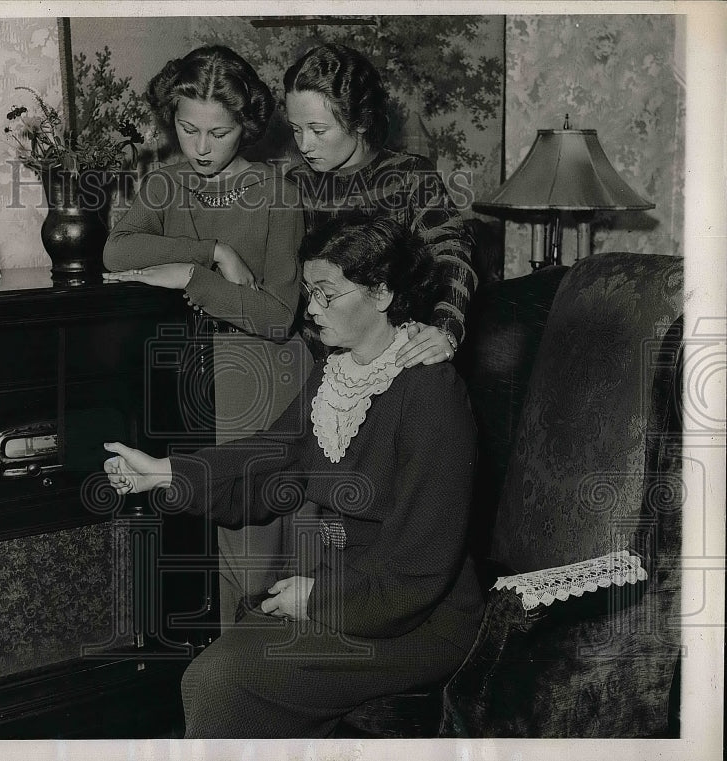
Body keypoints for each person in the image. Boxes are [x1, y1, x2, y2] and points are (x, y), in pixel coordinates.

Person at [103, 216, 484, 738]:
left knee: (221, 678)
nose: (311, 310)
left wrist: (316, 599)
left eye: (327, 294)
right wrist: (167, 473)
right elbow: (274, 457)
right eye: (309, 292)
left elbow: (420, 568)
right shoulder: (336, 371)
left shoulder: (431, 394)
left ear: (381, 293)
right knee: (216, 674)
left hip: (419, 618)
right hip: (354, 595)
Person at [103, 46, 314, 627]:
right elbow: (117, 250)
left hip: (260, 375)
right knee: (191, 559)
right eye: (187, 128)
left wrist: (190, 278)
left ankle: (248, 694)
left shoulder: (276, 192)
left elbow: (275, 316)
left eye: (217, 133)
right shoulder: (164, 182)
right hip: (184, 376)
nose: (199, 148)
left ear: (245, 127)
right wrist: (211, 253)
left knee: (249, 561)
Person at [283, 42, 478, 368]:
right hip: (317, 369)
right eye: (295, 129)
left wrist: (444, 328)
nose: (304, 145)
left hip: (397, 362)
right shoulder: (295, 185)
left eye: (318, 130)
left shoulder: (411, 176)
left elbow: (453, 254)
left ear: (360, 122)